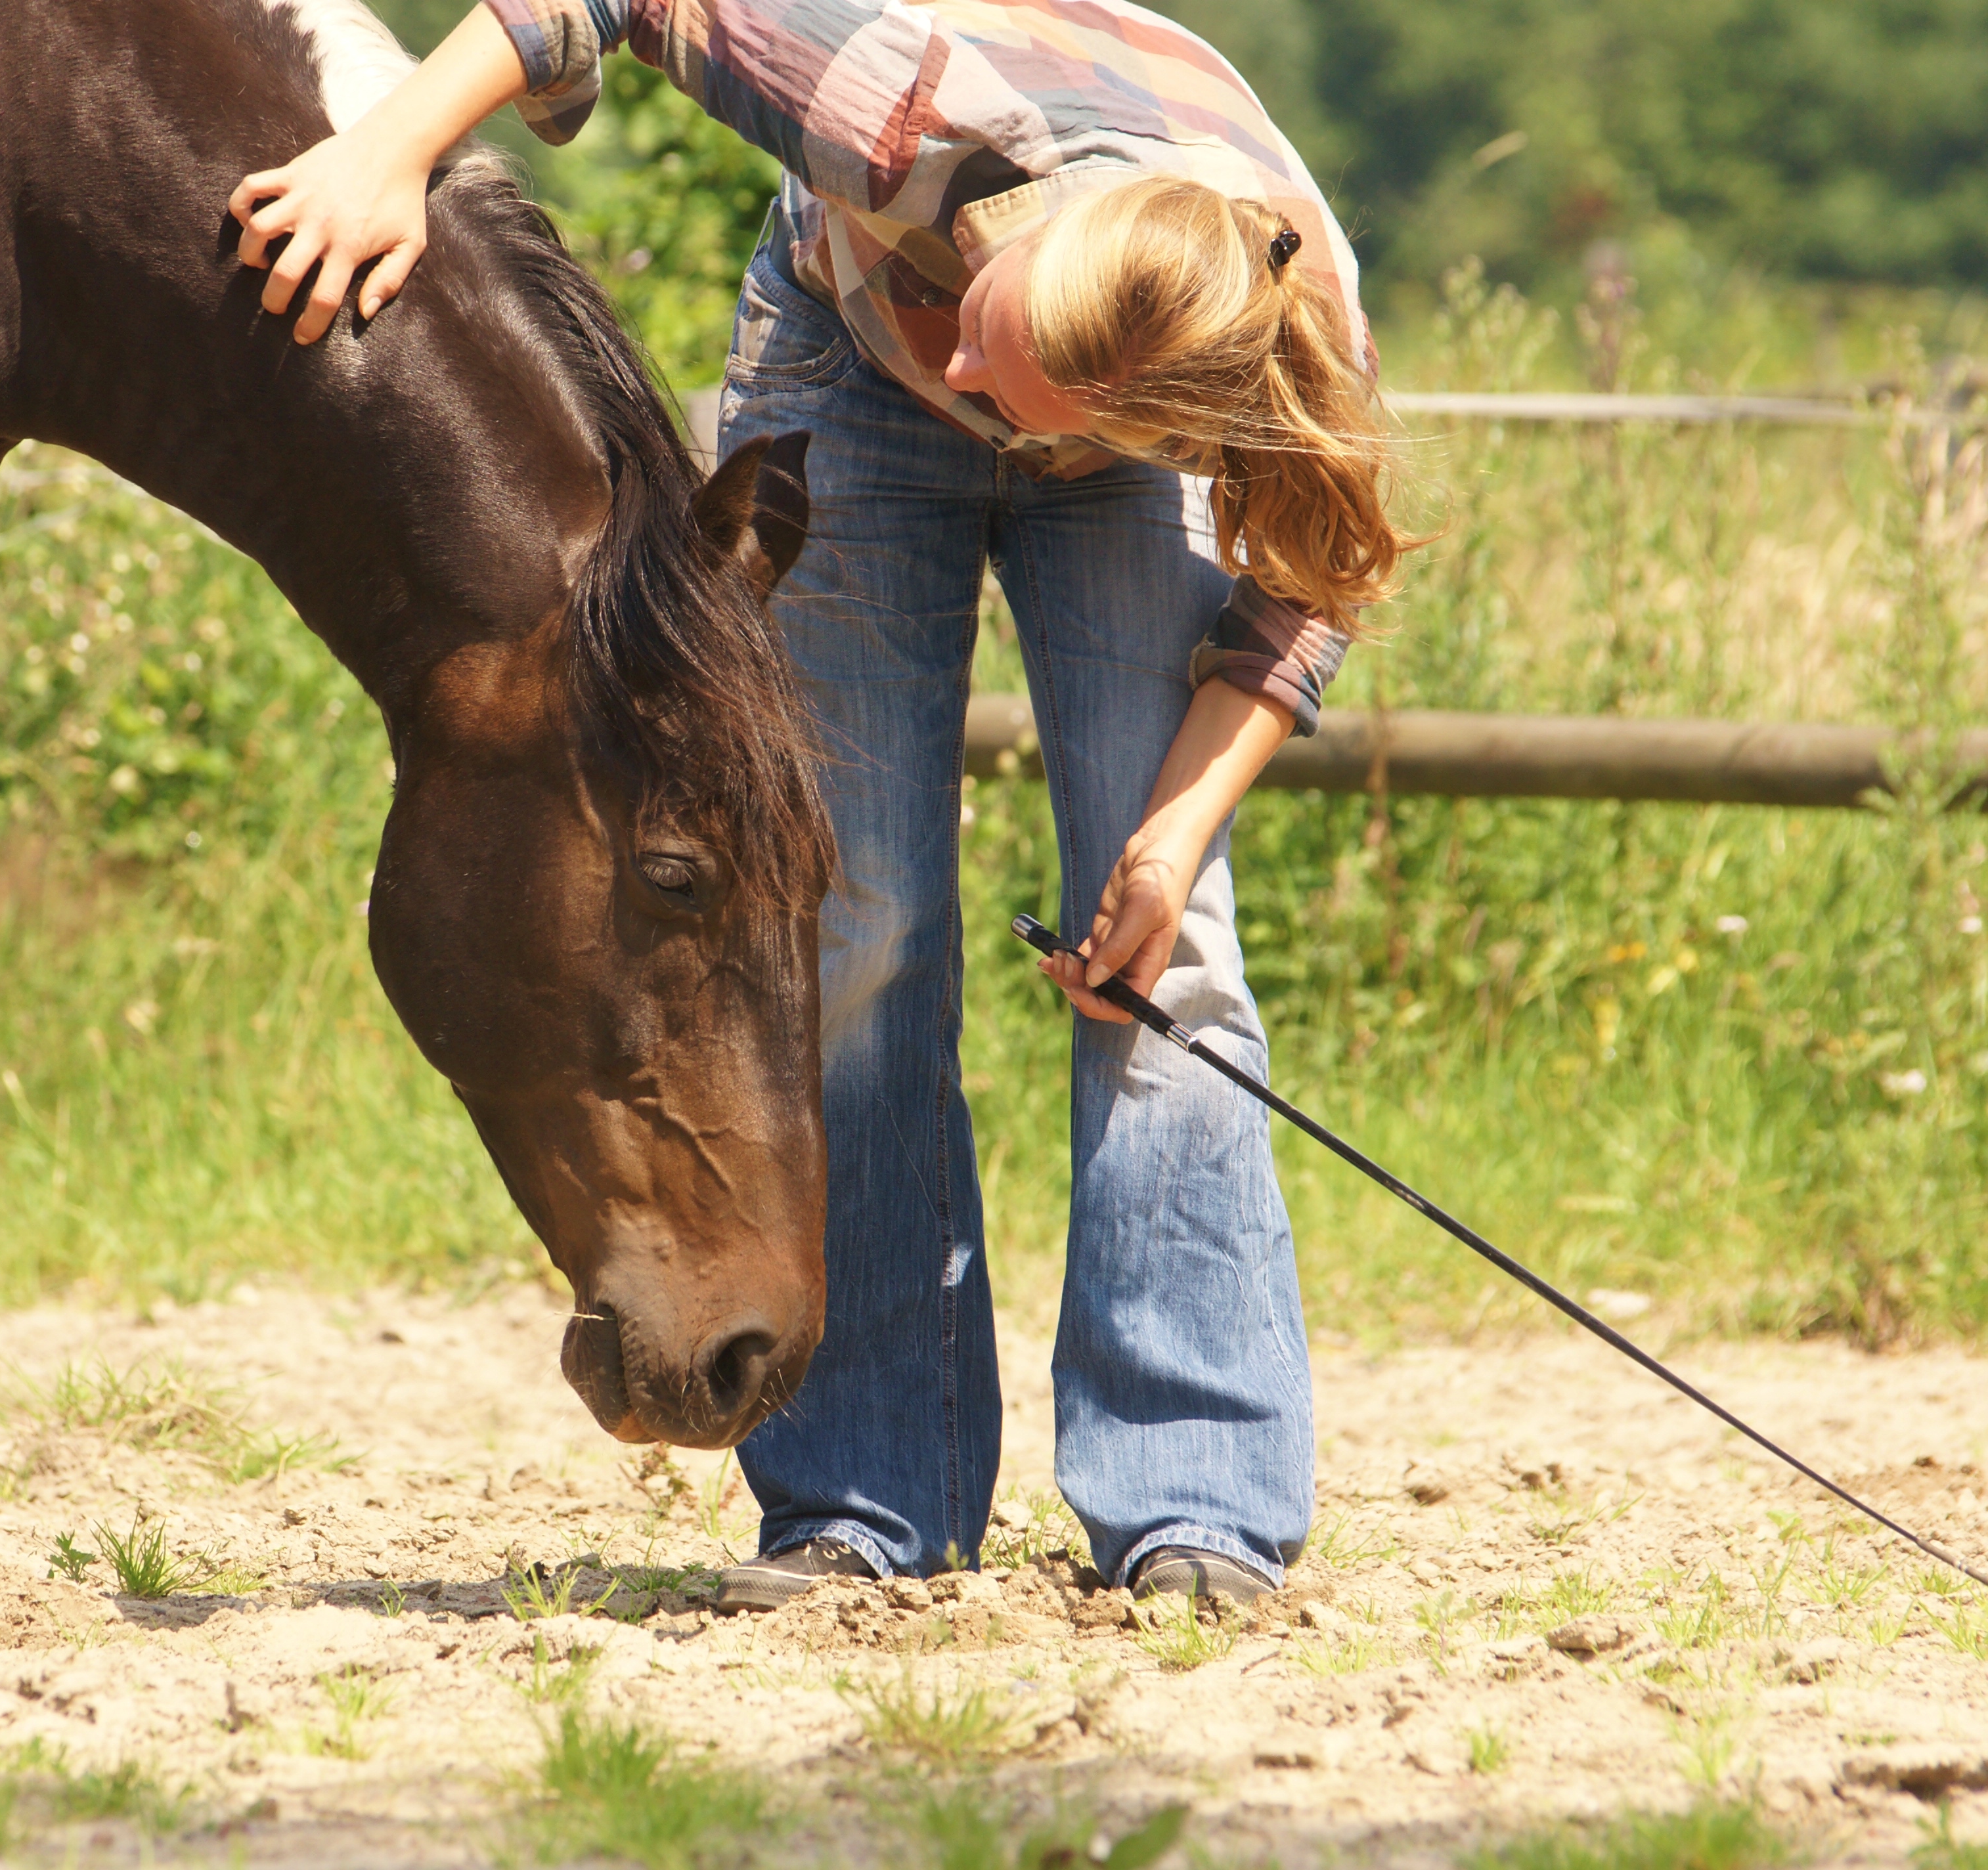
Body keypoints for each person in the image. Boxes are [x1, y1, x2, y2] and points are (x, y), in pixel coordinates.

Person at [229, 0, 1419, 1609]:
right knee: (856, 928)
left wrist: (1168, 835)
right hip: (845, 369)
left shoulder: (1269, 344)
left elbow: (1306, 582)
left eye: (1002, 377)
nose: (970, 365)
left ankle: (1197, 1491)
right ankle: (866, 1492)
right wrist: (389, 153)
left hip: (1123, 447)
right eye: (987, 319)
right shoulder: (908, 116)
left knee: (1171, 961)